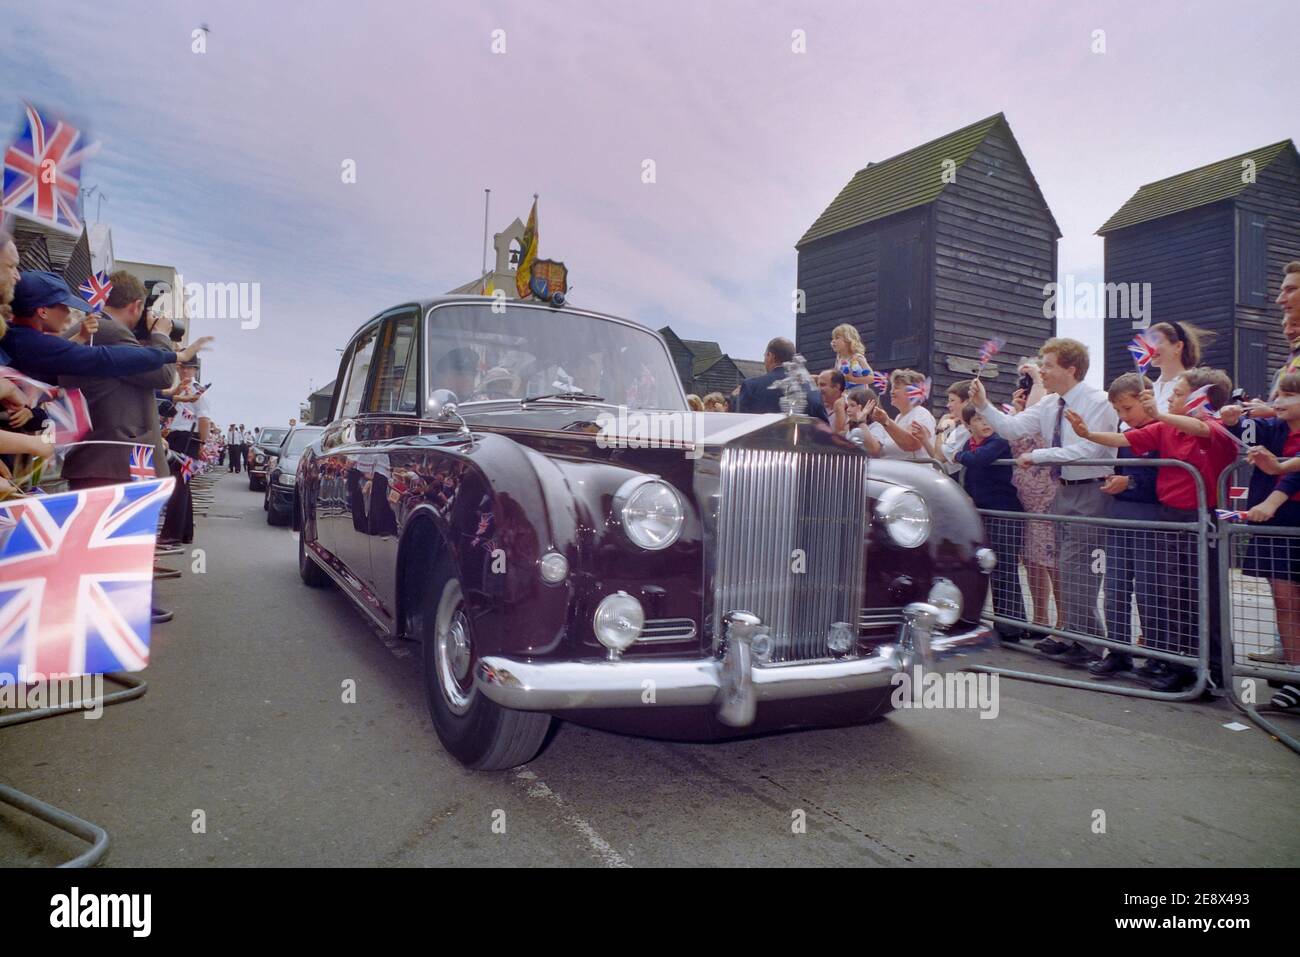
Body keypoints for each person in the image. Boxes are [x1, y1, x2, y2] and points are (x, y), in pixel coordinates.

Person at [1067, 367, 1237, 691]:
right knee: (1175, 595)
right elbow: (1122, 438)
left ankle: (1212, 672)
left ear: (1200, 398)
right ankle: (1180, 665)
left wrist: (1158, 413)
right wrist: (1087, 434)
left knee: (1203, 595)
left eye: (1177, 393)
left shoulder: (1214, 429)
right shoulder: (1164, 429)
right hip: (1171, 517)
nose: (1170, 397)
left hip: (1201, 517)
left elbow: (1201, 428)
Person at [971, 338, 1116, 663]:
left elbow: (1091, 450)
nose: (1043, 371)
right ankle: (1074, 635)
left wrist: (1039, 456)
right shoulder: (1050, 404)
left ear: (1071, 368)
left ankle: (1090, 642)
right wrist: (983, 405)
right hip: (1062, 490)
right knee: (1066, 566)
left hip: (1090, 489)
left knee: (1081, 569)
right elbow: (1011, 428)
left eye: (1048, 365)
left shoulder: (1098, 401)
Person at [57, 271, 181, 626]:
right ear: (137, 305)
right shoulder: (110, 332)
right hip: (113, 455)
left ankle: (122, 607)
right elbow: (162, 375)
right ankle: (108, 619)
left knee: (116, 541)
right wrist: (160, 334)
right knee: (113, 540)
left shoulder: (100, 330)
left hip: (109, 455)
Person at [1224, 375, 1300, 695]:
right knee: (1283, 597)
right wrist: (1229, 421)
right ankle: (1296, 673)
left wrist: (1272, 497)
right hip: (1275, 521)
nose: (1279, 401)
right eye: (1277, 394)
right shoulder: (1275, 428)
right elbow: (1245, 433)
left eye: (1289, 395)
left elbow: (1290, 475)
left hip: (1288, 517)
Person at [4, 271, 211, 382]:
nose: (68, 313)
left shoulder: (18, 337)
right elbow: (107, 358)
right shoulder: (33, 343)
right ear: (43, 311)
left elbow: (56, 359)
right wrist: (168, 347)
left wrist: (80, 339)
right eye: (63, 306)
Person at [1088, 373, 1163, 678]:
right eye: (1118, 411)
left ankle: (1156, 654)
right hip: (1121, 514)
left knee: (1149, 589)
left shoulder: (1159, 431)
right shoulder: (1126, 435)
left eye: (1127, 409)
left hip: (1149, 515)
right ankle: (1118, 650)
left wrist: (1128, 483)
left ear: (1145, 400)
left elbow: (1162, 478)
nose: (1123, 416)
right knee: (1116, 586)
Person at [953, 403, 1029, 643]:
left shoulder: (998, 441)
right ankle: (995, 620)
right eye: (977, 420)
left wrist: (956, 455)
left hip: (1004, 512)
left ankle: (1011, 626)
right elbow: (967, 471)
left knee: (1005, 567)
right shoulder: (970, 444)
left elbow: (977, 460)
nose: (985, 424)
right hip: (982, 512)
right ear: (967, 425)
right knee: (986, 567)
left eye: (987, 419)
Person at [1007, 359, 1060, 631]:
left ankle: (1063, 622)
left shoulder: (1051, 407)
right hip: (1026, 500)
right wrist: (1019, 408)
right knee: (1031, 561)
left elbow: (1040, 426)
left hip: (1047, 498)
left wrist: (1038, 382)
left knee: (1052, 560)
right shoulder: (1024, 414)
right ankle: (1040, 619)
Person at [159, 361, 212, 545]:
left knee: (177, 485)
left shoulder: (197, 391)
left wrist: (202, 443)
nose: (182, 371)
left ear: (195, 370)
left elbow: (204, 419)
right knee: (182, 486)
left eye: (187, 368)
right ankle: (184, 532)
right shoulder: (180, 389)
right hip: (177, 436)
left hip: (187, 439)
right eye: (180, 367)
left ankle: (172, 533)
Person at [735, 337, 829, 422]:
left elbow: (739, 425)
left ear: (770, 355)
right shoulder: (813, 390)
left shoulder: (751, 386)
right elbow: (824, 430)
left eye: (765, 356)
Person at [860, 368, 933, 461]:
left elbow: (911, 445)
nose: (891, 392)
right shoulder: (899, 417)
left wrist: (886, 422)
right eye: (892, 388)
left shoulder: (921, 413)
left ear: (911, 391)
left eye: (896, 388)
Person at [1144, 321, 1210, 413]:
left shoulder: (1196, 384)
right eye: (1148, 343)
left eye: (1157, 342)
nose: (1150, 348)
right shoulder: (1147, 388)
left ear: (1178, 346)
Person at [829, 323, 873, 388]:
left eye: (837, 338)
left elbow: (871, 378)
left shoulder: (857, 357)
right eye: (833, 338)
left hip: (859, 395)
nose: (833, 341)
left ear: (848, 340)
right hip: (846, 395)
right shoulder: (839, 359)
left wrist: (852, 379)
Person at [817, 369, 848, 433]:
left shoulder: (851, 405)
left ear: (836, 386)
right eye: (818, 385)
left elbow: (841, 437)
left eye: (822, 385)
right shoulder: (819, 406)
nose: (818, 389)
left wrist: (839, 408)